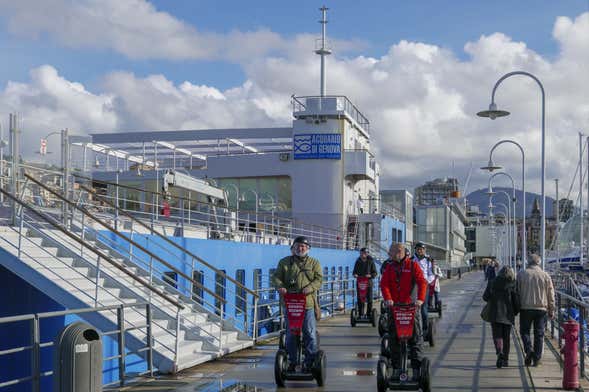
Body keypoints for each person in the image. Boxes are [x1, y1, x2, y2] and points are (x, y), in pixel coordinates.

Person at [272, 236, 323, 371]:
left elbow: (319, 279)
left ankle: (309, 362)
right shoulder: (284, 262)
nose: (300, 248)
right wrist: (280, 287)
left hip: (307, 304)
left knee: (309, 333)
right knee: (291, 334)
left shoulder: (314, 263)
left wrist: (310, 288)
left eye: (303, 246)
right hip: (291, 304)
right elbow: (276, 277)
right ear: (293, 248)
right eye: (298, 246)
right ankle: (293, 361)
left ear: (308, 249)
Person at [381, 242, 427, 377]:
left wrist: (420, 299)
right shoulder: (389, 267)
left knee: (415, 339)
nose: (389, 255)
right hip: (394, 308)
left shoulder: (412, 265)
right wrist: (388, 298)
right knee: (394, 339)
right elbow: (384, 284)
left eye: (391, 252)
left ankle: (417, 369)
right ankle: (396, 368)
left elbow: (422, 282)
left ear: (400, 252)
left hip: (411, 307)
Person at [517, 254, 555, 367]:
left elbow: (517, 292)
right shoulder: (545, 275)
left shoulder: (521, 274)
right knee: (539, 333)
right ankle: (537, 358)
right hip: (541, 308)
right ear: (539, 262)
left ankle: (529, 350)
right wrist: (552, 309)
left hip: (525, 308)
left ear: (528, 262)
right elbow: (551, 294)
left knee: (524, 331)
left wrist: (517, 306)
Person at [483, 266, 520, 368]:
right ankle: (506, 360)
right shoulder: (512, 283)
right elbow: (515, 299)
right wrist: (516, 311)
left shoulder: (492, 282)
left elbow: (485, 297)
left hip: (495, 313)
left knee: (497, 336)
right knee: (506, 337)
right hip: (508, 314)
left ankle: (499, 352)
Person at [413, 242, 435, 336]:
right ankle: (413, 329)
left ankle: (425, 329)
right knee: (411, 308)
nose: (419, 251)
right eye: (418, 249)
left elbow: (431, 274)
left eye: (421, 249)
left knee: (423, 309)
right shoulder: (411, 260)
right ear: (415, 250)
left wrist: (427, 281)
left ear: (424, 250)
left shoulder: (428, 260)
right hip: (413, 286)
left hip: (424, 286)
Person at [353, 248, 378, 316]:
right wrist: (355, 275)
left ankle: (369, 313)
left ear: (366, 254)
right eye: (360, 253)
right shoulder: (358, 261)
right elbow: (354, 272)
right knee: (360, 299)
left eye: (363, 253)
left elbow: (375, 273)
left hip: (368, 283)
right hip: (360, 283)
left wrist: (370, 275)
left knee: (369, 299)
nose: (361, 255)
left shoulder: (371, 261)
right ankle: (361, 314)